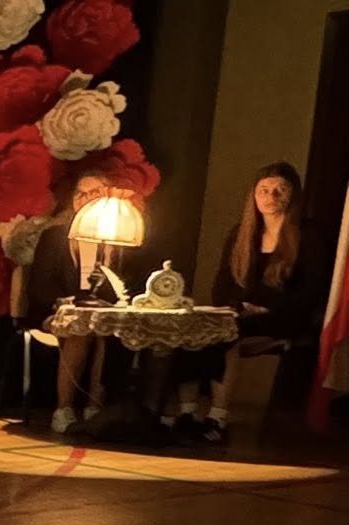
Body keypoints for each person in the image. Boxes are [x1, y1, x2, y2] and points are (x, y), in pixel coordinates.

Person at [165, 162, 324, 443]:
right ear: (254, 195)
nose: (271, 196)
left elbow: (312, 291)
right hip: (242, 313)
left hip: (286, 315)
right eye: (264, 190)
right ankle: (187, 413)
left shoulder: (309, 235)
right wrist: (240, 305)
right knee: (193, 331)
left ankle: (217, 418)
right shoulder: (241, 233)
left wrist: (260, 304)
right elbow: (221, 287)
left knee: (229, 333)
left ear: (293, 194)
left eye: (280, 190)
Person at [28, 172, 134, 434]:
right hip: (55, 311)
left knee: (104, 331)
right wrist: (64, 304)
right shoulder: (54, 237)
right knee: (80, 330)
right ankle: (63, 409)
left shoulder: (115, 241)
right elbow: (40, 285)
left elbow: (122, 289)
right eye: (80, 193)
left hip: (99, 315)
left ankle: (94, 408)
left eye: (93, 193)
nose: (85, 199)